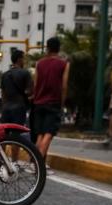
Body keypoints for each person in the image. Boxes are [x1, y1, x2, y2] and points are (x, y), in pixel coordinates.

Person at [32, 37, 70, 167]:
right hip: (53, 102)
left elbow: (36, 84)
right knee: (48, 134)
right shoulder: (64, 64)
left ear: (47, 47)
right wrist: (62, 102)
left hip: (38, 102)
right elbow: (64, 86)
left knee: (40, 135)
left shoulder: (39, 63)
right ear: (59, 49)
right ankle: (38, 164)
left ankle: (34, 162)